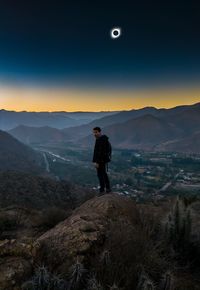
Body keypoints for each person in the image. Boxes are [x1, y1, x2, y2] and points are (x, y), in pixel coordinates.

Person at [92, 126, 111, 195]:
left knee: (101, 175)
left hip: (101, 161)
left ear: (100, 132)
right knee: (103, 174)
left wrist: (97, 162)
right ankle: (107, 188)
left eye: (96, 132)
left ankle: (102, 190)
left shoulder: (102, 140)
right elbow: (95, 151)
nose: (94, 134)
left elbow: (100, 152)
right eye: (94, 132)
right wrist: (94, 161)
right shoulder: (98, 139)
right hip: (101, 161)